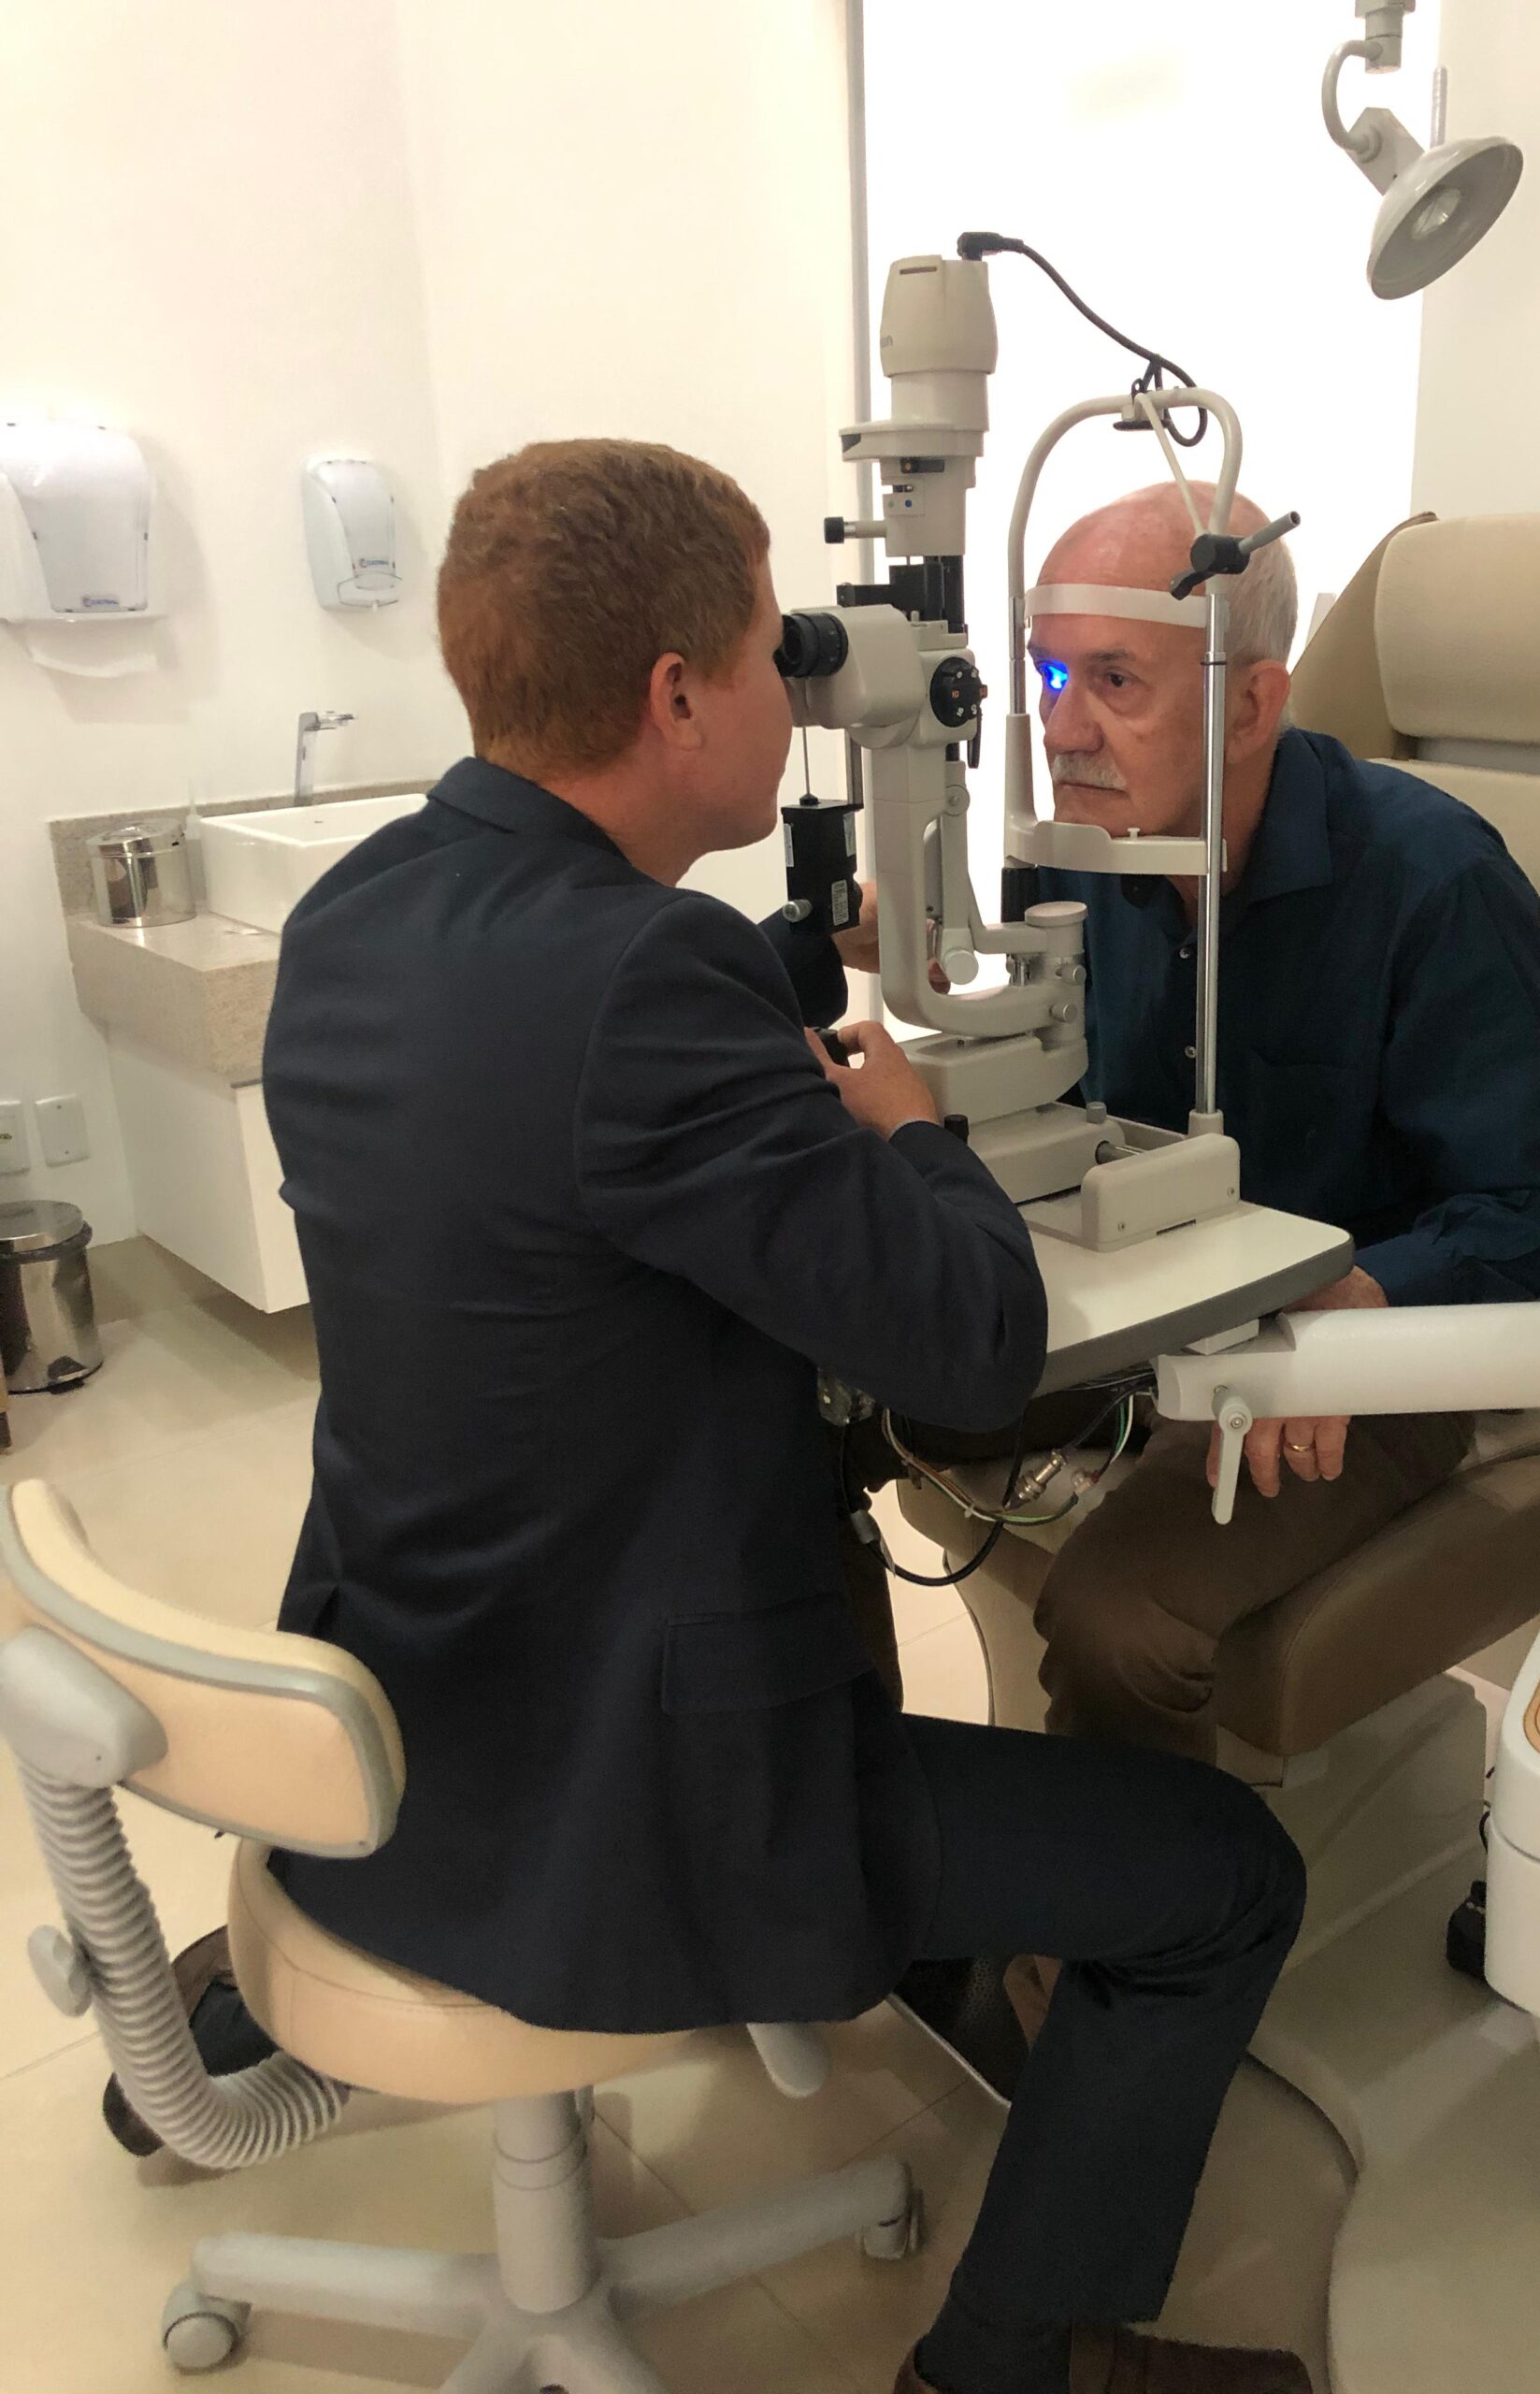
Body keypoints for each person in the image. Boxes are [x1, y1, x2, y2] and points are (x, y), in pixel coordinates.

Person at [117, 440, 1309, 2394]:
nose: (795, 688)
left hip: (401, 1706)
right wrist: (910, 1135)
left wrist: (782, 995)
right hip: (617, 1787)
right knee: (1223, 1876)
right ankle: (1016, 2361)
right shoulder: (639, 980)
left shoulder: (361, 915)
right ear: (679, 694)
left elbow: (555, 1106)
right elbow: (972, 1346)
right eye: (773, 652)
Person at [845, 480, 1540, 1785]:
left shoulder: (1433, 881)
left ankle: (1151, 1914)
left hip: (1355, 1346)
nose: (1063, 727)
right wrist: (930, 965)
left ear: (1253, 705)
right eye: (1049, 674)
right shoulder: (1082, 854)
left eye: (1114, 681)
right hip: (1141, 1303)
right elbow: (1066, 1089)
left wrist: (1359, 1300)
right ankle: (847, 1821)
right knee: (821, 1403)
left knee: (1119, 1622)